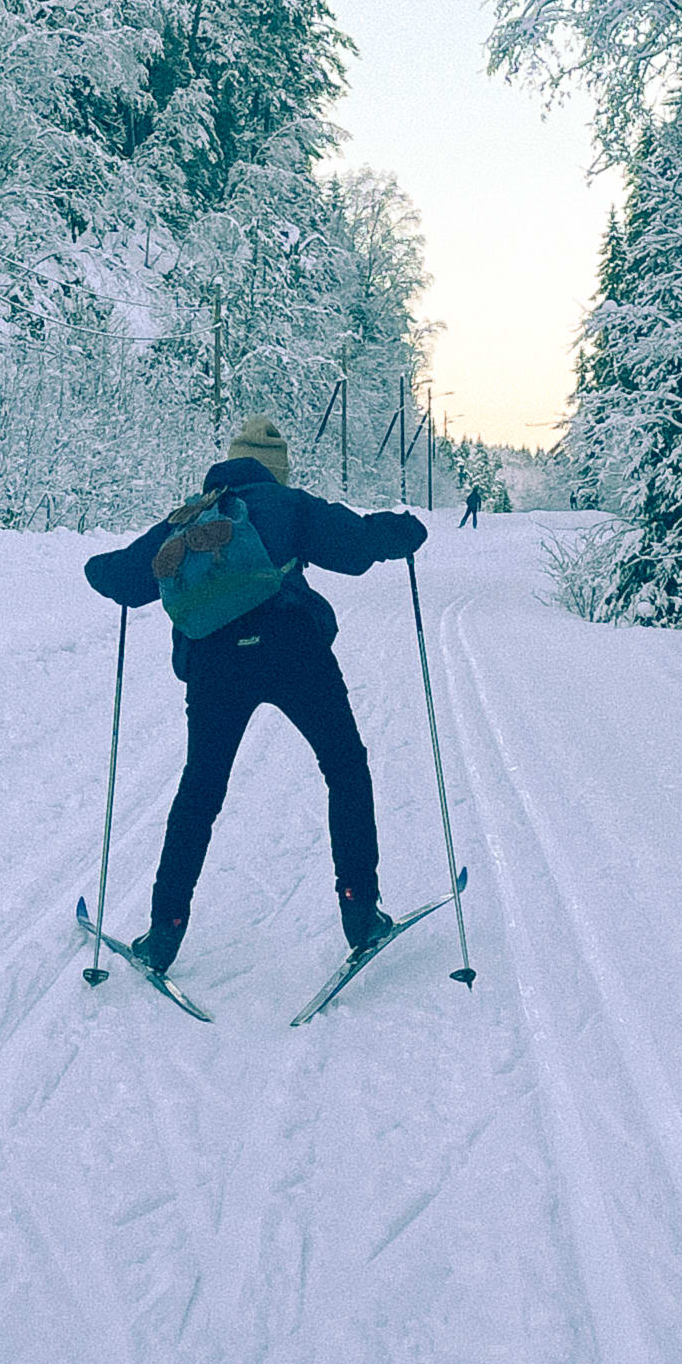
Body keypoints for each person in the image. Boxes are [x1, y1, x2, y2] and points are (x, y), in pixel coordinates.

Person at [84, 416, 426, 978]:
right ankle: (360, 911)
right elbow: (359, 547)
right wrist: (406, 530)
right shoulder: (292, 506)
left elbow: (123, 579)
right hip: (296, 653)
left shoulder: (193, 516)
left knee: (200, 791)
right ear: (278, 470)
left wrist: (96, 566)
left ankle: (164, 930)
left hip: (216, 666)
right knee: (344, 766)